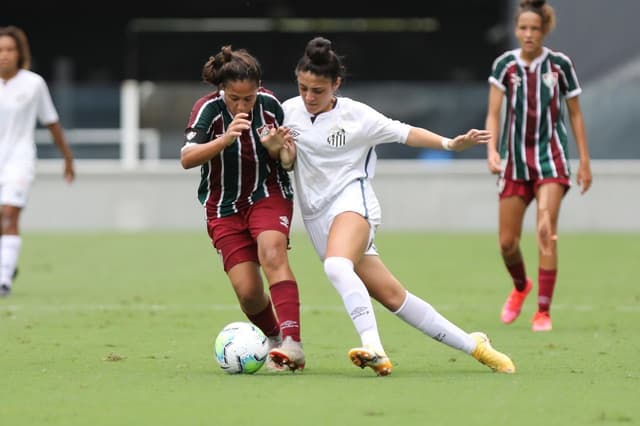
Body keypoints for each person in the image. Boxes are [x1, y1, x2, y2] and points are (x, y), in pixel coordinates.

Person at [279, 36, 516, 376]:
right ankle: (476, 346)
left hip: (351, 203)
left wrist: (450, 143)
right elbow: (278, 153)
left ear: (336, 85)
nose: (309, 97)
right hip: (316, 217)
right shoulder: (287, 111)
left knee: (335, 266)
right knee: (393, 297)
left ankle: (373, 347)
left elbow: (405, 132)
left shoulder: (357, 115)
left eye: (318, 90)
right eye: (303, 88)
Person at [180, 45, 305, 371]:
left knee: (273, 253)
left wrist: (281, 152)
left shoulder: (270, 106)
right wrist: (223, 140)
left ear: (258, 88)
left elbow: (288, 163)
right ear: (223, 90)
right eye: (235, 98)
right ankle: (275, 338)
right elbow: (186, 158)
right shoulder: (206, 109)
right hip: (224, 207)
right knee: (248, 292)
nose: (242, 104)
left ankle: (293, 344)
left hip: (267, 193)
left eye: (248, 98)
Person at [484, 0, 592, 332]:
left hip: (551, 160)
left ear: (544, 30)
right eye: (523, 28)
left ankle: (542, 311)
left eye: (535, 29)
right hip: (515, 162)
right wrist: (491, 149)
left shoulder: (559, 65)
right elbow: (493, 113)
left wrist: (584, 160)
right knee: (506, 242)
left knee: (546, 230)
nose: (528, 34)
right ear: (516, 30)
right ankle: (520, 287)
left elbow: (574, 113)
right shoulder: (505, 65)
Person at [0, 26, 75, 297]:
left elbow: (52, 123)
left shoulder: (33, 84)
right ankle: (6, 263)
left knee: (9, 214)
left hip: (19, 161)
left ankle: (4, 279)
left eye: (9, 50)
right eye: (0, 50)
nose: (4, 55)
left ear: (19, 53)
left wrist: (67, 158)